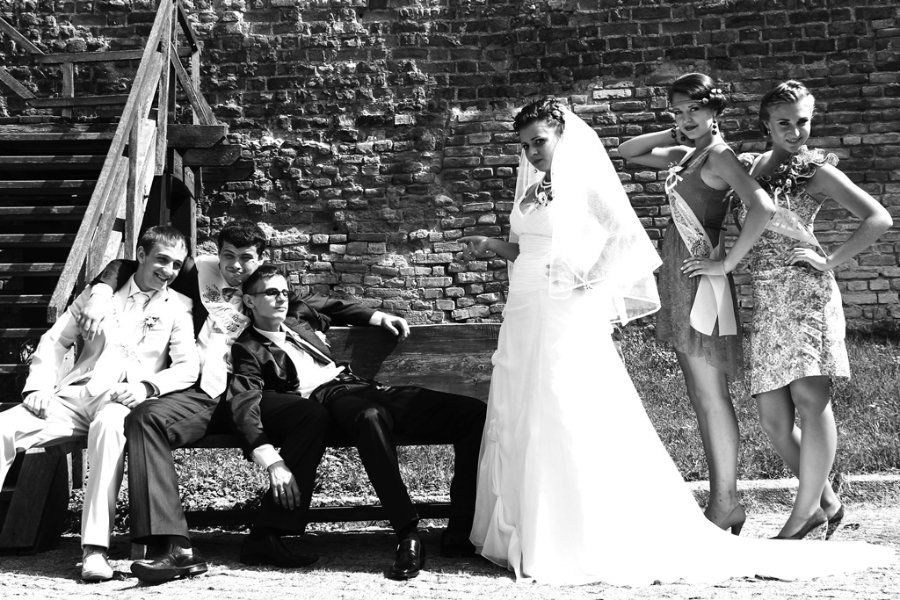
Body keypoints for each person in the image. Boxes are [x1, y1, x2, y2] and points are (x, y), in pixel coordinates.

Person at [459, 97, 894, 585]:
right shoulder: (555, 183)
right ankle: (795, 500)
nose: (533, 152)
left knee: (621, 403)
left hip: (635, 293)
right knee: (536, 407)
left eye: (540, 141)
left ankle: (723, 505)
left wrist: (593, 281)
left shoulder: (696, 162)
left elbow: (626, 238)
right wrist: (495, 246)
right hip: (558, 302)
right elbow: (557, 223)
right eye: (526, 145)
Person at [229, 265, 487, 581]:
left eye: (284, 291)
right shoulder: (248, 348)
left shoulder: (298, 316)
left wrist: (378, 317)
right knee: (369, 417)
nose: (281, 298)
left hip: (364, 386)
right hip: (328, 400)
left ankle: (461, 528)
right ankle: (407, 533)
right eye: (271, 293)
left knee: (472, 413)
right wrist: (269, 457)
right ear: (250, 301)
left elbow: (335, 306)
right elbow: (244, 401)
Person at [76, 220, 293, 583]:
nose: (236, 265)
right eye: (228, 256)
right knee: (144, 417)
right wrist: (99, 293)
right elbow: (131, 265)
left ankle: (271, 535)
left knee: (311, 415)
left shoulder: (272, 287)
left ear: (261, 258)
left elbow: (325, 305)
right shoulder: (200, 273)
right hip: (200, 394)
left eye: (246, 258)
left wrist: (374, 314)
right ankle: (174, 548)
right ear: (217, 254)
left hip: (250, 395)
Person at [617, 73, 777, 534]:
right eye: (678, 110)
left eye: (695, 109)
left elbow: (762, 207)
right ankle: (721, 501)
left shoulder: (720, 156)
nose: (686, 118)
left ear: (715, 110)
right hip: (680, 277)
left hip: (701, 283)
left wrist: (726, 263)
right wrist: (679, 130)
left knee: (710, 395)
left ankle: (726, 502)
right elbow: (628, 151)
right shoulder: (688, 154)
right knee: (698, 394)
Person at [734, 80, 892, 539]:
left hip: (806, 294)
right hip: (767, 299)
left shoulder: (814, 170)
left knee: (810, 399)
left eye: (803, 121)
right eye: (784, 122)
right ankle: (826, 502)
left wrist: (829, 260)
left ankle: (802, 515)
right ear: (765, 124)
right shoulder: (748, 167)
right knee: (773, 418)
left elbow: (878, 217)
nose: (795, 131)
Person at [0, 226, 198, 582]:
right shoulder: (99, 295)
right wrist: (39, 387)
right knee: (4, 427)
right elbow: (56, 340)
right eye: (162, 260)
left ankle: (94, 550)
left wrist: (147, 387)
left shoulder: (180, 307)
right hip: (76, 395)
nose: (168, 270)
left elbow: (187, 367)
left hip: (122, 400)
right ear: (141, 255)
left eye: (176, 264)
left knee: (108, 429)